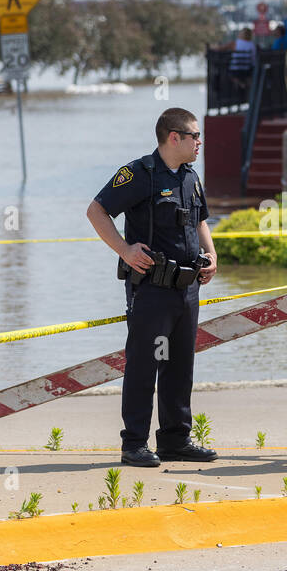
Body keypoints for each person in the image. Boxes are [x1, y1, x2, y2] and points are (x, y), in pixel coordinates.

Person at [85, 108, 218, 467]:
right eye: (195, 136)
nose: (199, 143)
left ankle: (176, 440)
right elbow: (97, 211)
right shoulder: (139, 174)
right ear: (174, 137)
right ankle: (134, 444)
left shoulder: (190, 177)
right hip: (151, 291)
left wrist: (211, 253)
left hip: (187, 290)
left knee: (180, 366)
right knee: (145, 365)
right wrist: (125, 251)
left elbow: (201, 219)